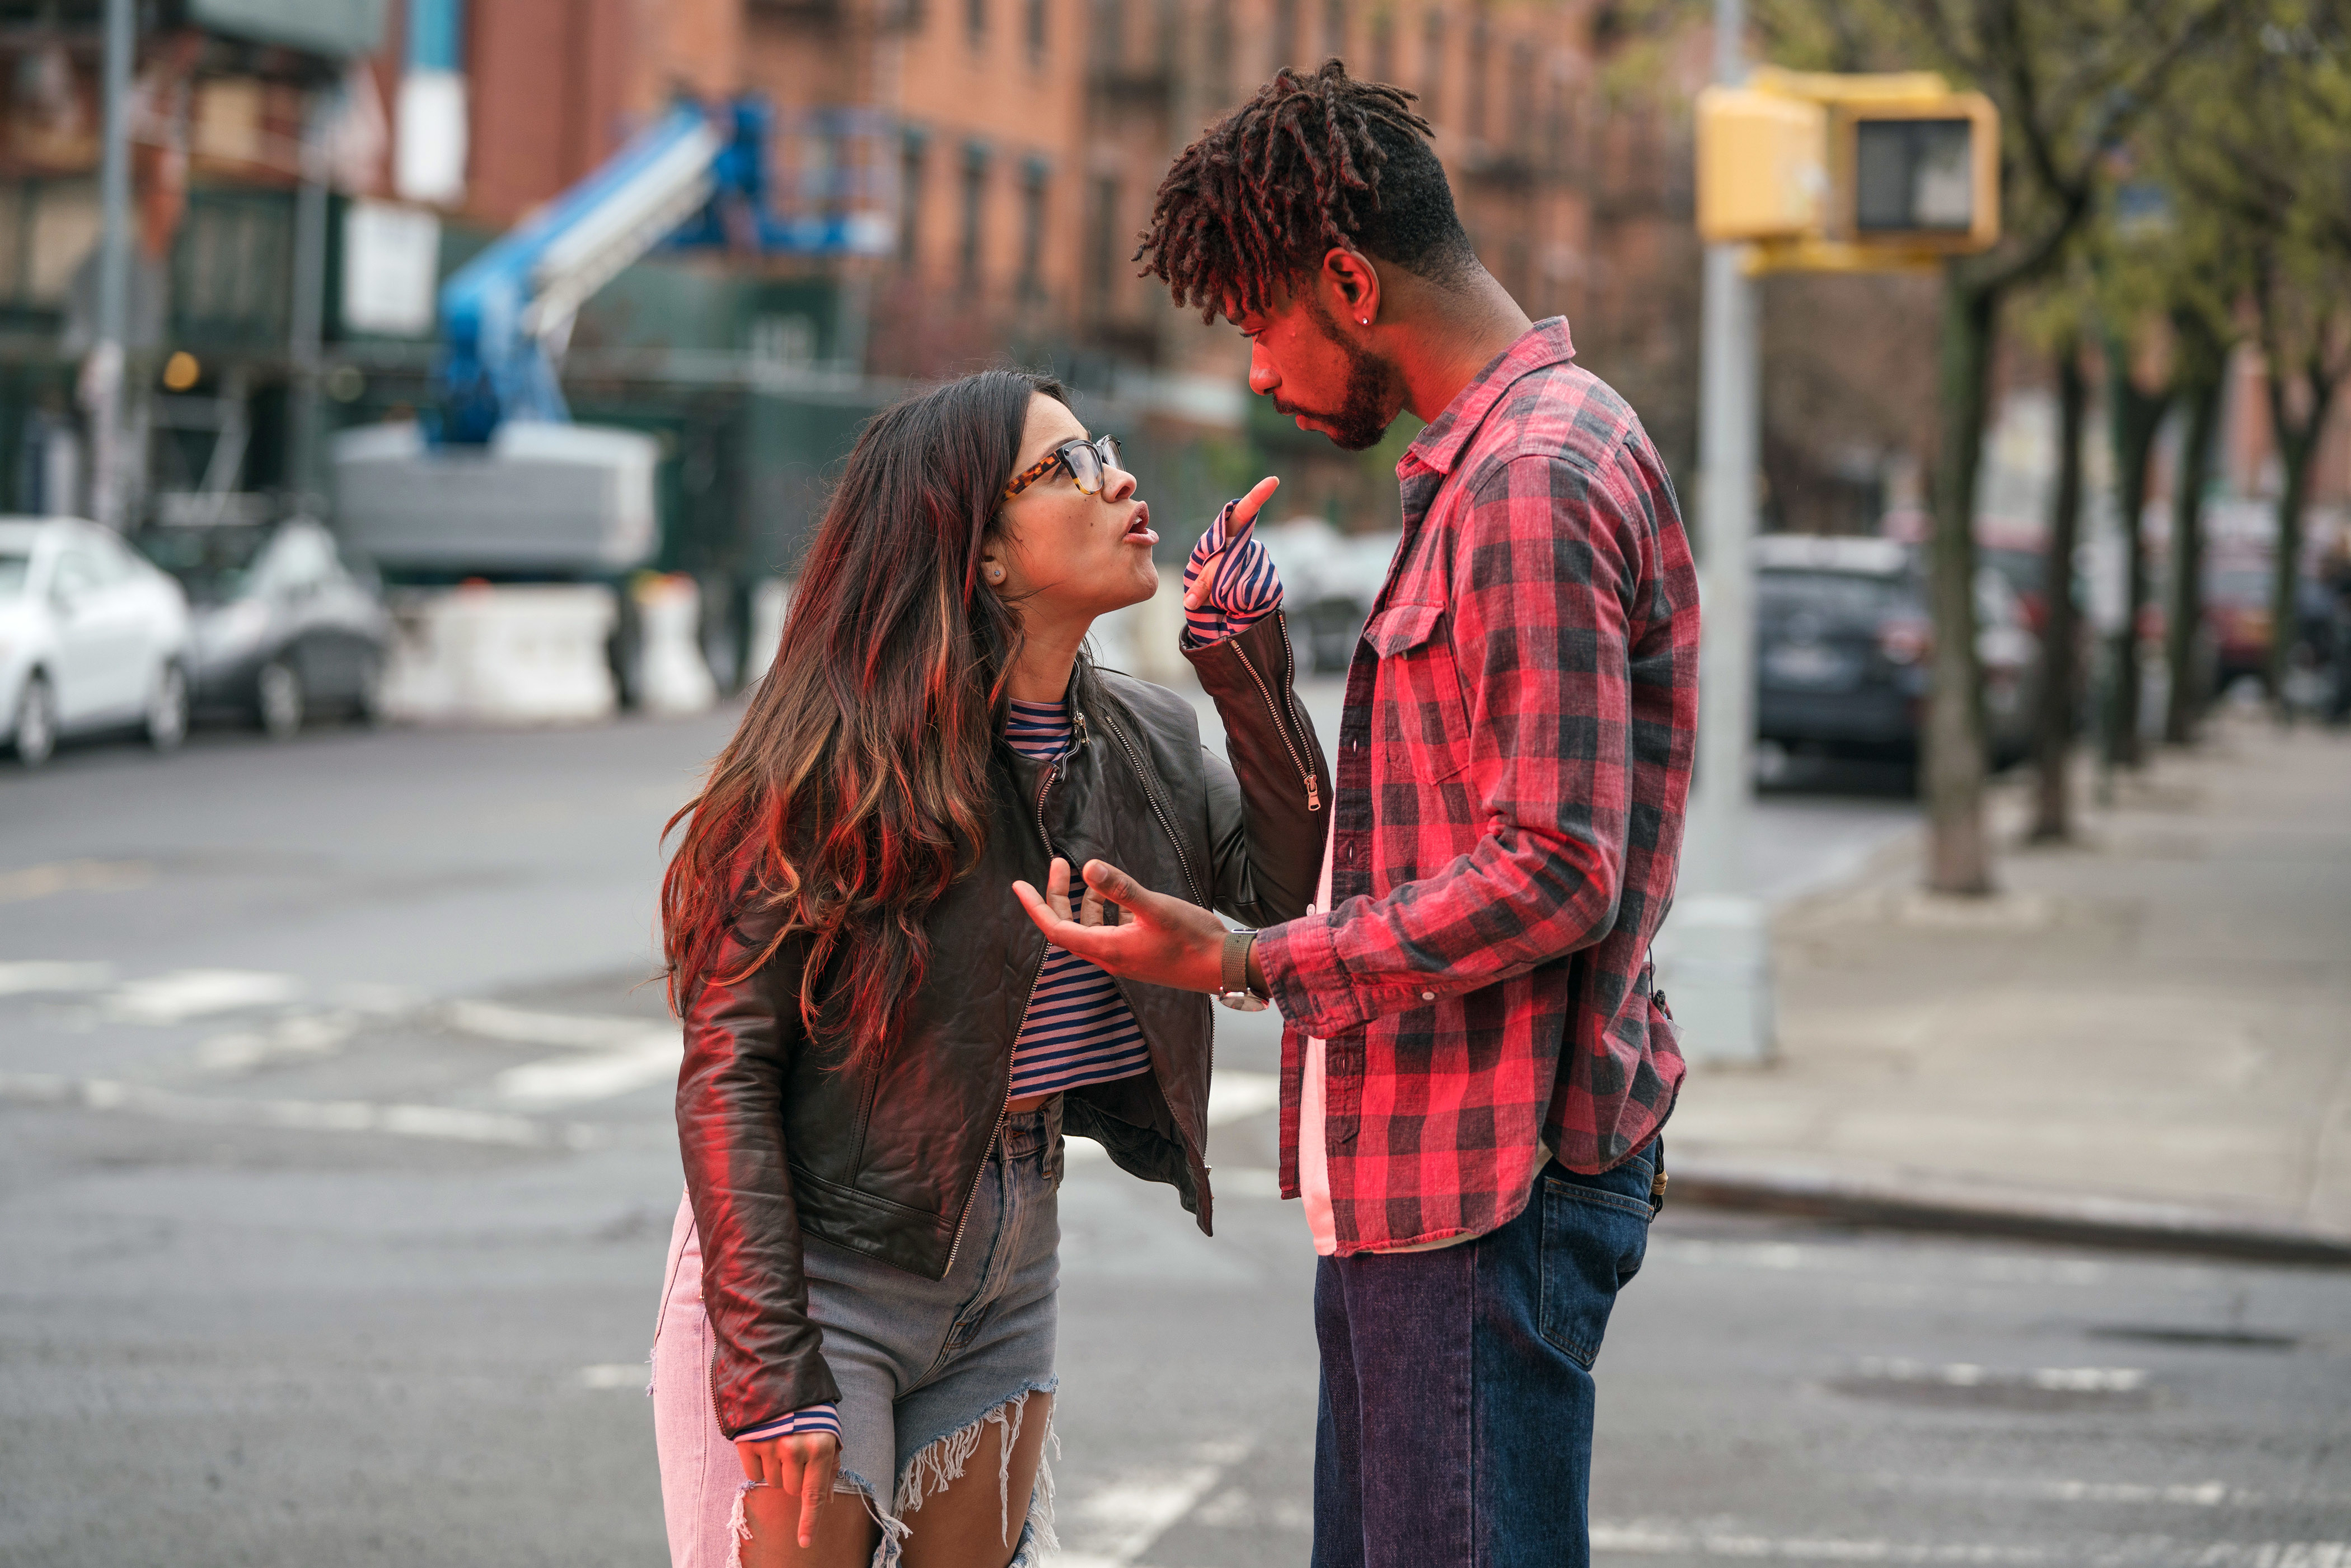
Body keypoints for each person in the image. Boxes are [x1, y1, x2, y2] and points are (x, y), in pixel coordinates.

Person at [1014, 63, 1699, 1568]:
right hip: (1423, 1173)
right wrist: (1243, 665)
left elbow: (1550, 871)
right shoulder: (1487, 470)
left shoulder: (1528, 479)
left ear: (1347, 279)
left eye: (1260, 322)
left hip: (1482, 1177)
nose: (1256, 371)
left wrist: (1248, 962)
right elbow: (1417, 835)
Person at [652, 368, 1330, 1568]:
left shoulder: (1146, 741)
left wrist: (1243, 660)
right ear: (986, 555)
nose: (1118, 478)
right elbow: (727, 1068)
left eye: (1103, 449)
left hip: (1007, 1270)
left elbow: (1275, 902)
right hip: (813, 1270)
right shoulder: (829, 771)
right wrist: (767, 1363)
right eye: (1064, 466)